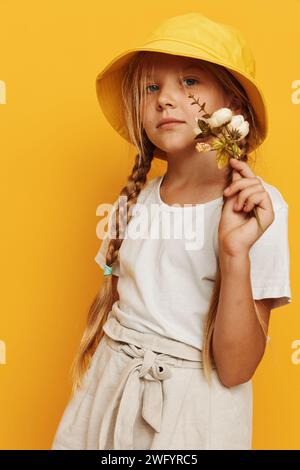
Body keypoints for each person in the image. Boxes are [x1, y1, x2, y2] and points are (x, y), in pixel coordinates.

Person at [51, 12, 292, 450]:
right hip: (108, 395)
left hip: (193, 417)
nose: (165, 99)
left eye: (190, 82)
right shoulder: (133, 202)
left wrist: (233, 254)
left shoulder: (257, 208)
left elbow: (236, 369)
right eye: (151, 87)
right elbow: (114, 292)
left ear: (233, 106)